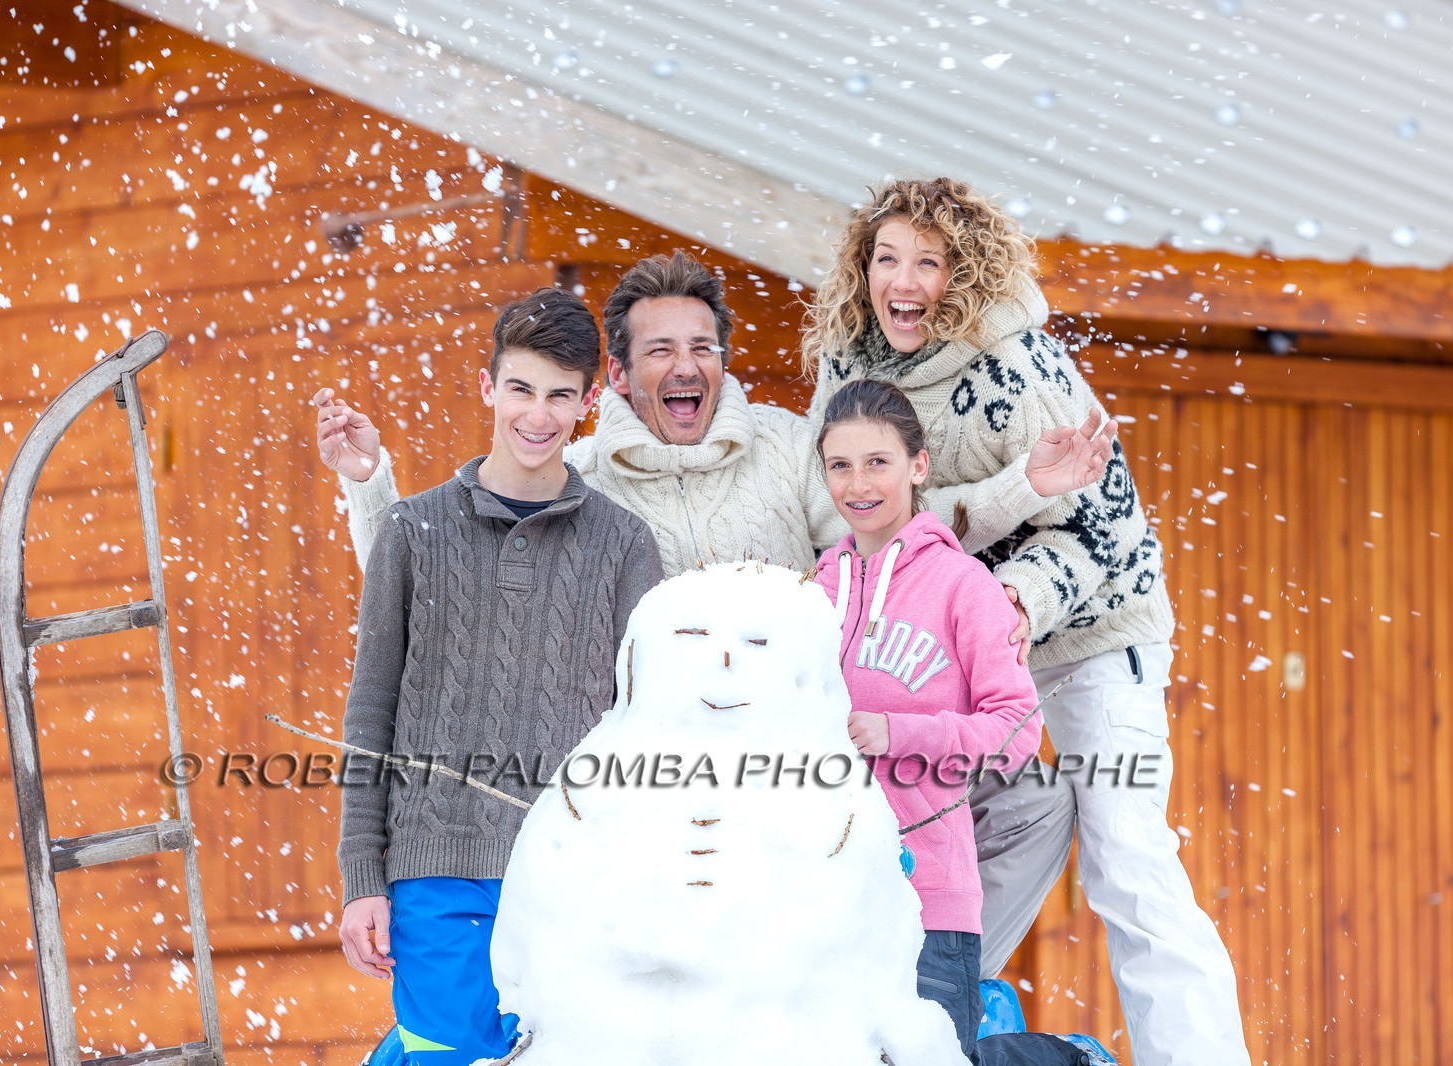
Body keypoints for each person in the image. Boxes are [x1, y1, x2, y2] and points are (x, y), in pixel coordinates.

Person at [803, 177, 1250, 1066]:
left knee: (1124, 856)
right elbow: (841, 518)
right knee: (925, 831)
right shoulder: (846, 371)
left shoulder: (1025, 369)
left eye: (929, 261)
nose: (905, 279)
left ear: (963, 273)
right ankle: (930, 1020)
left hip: (1091, 640)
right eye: (886, 257)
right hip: (950, 639)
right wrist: (993, 534)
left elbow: (1105, 527)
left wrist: (1021, 598)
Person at [316, 252, 1117, 581]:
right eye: (660, 350)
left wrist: (1022, 485)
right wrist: (367, 483)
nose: (687, 366)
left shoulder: (785, 445)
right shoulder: (580, 481)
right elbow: (436, 576)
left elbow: (891, 528)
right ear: (621, 377)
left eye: (702, 345)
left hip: (798, 762)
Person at [337, 286, 663, 1065]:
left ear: (589, 400)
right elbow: (371, 709)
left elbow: (648, 727)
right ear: (489, 386)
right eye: (520, 388)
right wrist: (361, 876)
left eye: (559, 396)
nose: (537, 415)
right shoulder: (412, 533)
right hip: (434, 875)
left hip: (572, 881)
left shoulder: (625, 547)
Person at [814, 379, 1099, 1066]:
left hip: (929, 898)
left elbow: (1016, 731)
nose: (859, 484)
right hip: (825, 897)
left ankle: (1068, 1058)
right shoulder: (817, 587)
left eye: (878, 462)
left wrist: (900, 733)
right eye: (840, 465)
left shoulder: (964, 585)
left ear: (918, 467)